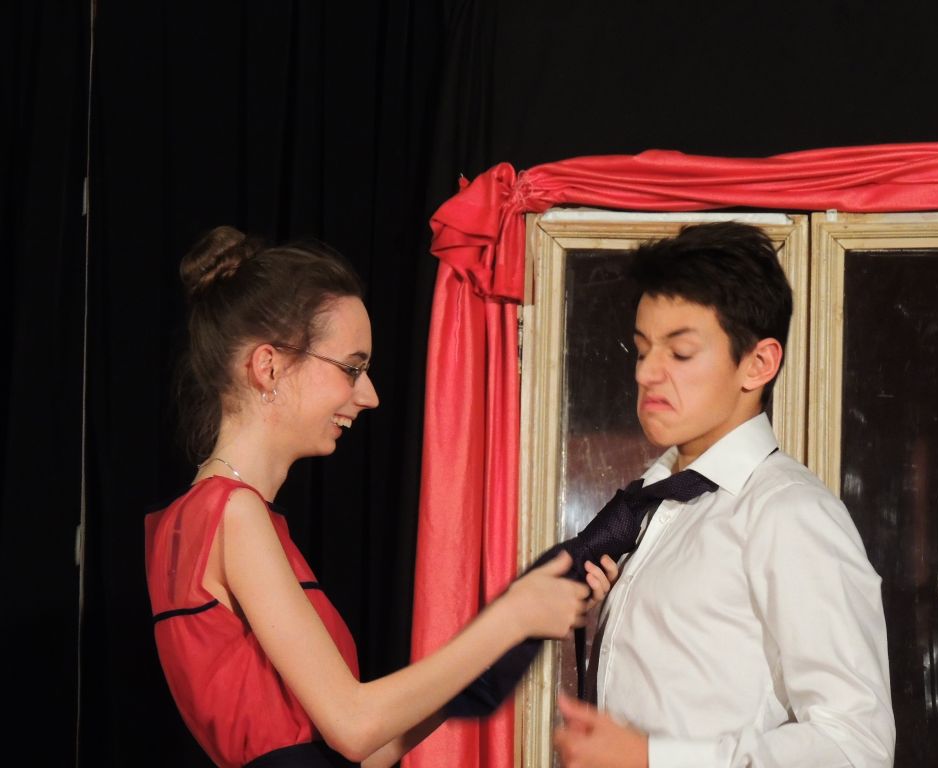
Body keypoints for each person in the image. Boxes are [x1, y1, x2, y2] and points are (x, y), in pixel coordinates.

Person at [144, 226, 616, 768]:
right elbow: (355, 726)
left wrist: (521, 630)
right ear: (268, 366)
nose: (369, 395)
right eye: (352, 368)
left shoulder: (191, 520)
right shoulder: (234, 513)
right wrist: (510, 617)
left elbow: (367, 748)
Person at [553, 222, 896, 768]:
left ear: (758, 364)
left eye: (680, 352)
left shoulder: (790, 513)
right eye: (641, 349)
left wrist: (652, 759)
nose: (646, 373)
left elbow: (855, 746)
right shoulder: (654, 507)